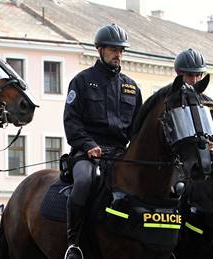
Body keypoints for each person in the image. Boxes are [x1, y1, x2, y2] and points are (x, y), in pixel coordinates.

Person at [63, 23, 142, 259]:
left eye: (121, 50)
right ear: (99, 50)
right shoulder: (82, 81)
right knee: (86, 182)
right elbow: (71, 121)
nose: (118, 54)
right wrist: (88, 145)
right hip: (87, 151)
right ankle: (73, 243)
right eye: (113, 49)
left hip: (119, 153)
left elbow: (137, 130)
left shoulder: (131, 87)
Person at [172, 48, 213, 148]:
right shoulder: (170, 103)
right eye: (189, 75)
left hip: (207, 160)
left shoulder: (211, 105)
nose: (195, 80)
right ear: (179, 74)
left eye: (198, 75)